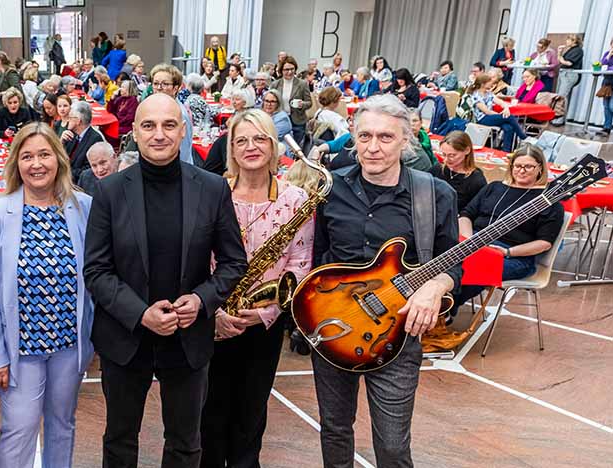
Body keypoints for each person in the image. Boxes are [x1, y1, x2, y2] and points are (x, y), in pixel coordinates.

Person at [84, 93, 247, 467]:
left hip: (188, 337)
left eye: (169, 125)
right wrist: (141, 313)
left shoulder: (212, 188)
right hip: (126, 336)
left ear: (183, 131)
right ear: (134, 133)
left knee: (186, 442)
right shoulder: (109, 191)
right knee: (120, 439)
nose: (159, 134)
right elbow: (96, 270)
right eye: (149, 125)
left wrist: (202, 300)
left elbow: (233, 262)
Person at [311, 94, 461, 467]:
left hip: (396, 333)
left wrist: (436, 287)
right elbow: (318, 258)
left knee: (393, 445)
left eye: (385, 137)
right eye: (365, 137)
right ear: (352, 137)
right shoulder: (330, 189)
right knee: (334, 429)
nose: (373, 147)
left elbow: (452, 264)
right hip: (332, 326)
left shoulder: (435, 194)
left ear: (405, 140)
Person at [0, 122, 93, 468]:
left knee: (62, 424)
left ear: (59, 159)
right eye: (27, 156)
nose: (36, 164)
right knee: (19, 427)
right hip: (19, 349)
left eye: (44, 154)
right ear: (16, 164)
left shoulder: (83, 207)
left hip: (69, 346)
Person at [200, 108, 313, 468]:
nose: (251, 146)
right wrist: (214, 310)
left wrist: (267, 311)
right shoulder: (211, 193)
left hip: (264, 323)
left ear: (273, 145)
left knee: (251, 412)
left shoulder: (295, 200)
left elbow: (301, 262)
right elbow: (196, 257)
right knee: (209, 410)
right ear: (230, 148)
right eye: (241, 140)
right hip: (215, 319)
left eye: (260, 138)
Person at [451, 145, 564, 315]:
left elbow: (544, 243)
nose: (522, 171)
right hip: (475, 242)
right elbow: (466, 215)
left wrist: (507, 252)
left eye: (529, 166)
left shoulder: (549, 202)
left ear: (540, 168)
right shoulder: (495, 187)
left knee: (473, 269)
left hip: (515, 257)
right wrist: (468, 241)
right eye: (517, 166)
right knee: (439, 256)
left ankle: (444, 316)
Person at [149, 63, 195, 164]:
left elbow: (184, 153)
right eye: (156, 83)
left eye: (165, 84)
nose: (159, 88)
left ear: (175, 88)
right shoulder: (154, 107)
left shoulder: (180, 114)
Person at [432, 131, 487, 211]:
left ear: (467, 151)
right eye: (444, 154)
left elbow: (477, 209)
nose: (446, 160)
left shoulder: (476, 180)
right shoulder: (437, 169)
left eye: (452, 155)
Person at [470, 75, 526, 152]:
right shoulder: (475, 95)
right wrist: (500, 115)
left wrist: (506, 108)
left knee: (508, 127)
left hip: (491, 117)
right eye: (490, 83)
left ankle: (506, 151)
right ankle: (523, 137)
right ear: (483, 84)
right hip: (482, 119)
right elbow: (486, 111)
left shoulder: (489, 93)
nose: (492, 85)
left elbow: (501, 102)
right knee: (510, 117)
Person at [271, 57, 312, 146]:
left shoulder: (302, 84)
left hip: (297, 121)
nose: (289, 72)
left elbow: (309, 102)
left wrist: (302, 104)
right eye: (286, 69)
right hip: (280, 119)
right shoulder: (275, 84)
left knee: (296, 147)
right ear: (281, 70)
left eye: (292, 69)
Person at [61, 101, 105, 182]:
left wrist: (63, 174)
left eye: (70, 117)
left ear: (78, 121)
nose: (67, 120)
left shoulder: (95, 139)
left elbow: (88, 171)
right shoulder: (72, 135)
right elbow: (62, 158)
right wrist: (61, 143)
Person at [554, 34, 584, 125]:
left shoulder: (578, 50)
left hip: (569, 74)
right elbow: (560, 61)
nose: (566, 41)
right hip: (564, 73)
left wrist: (560, 56)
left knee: (562, 96)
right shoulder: (570, 50)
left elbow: (568, 63)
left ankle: (558, 120)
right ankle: (557, 117)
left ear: (574, 41)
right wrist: (559, 53)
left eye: (569, 40)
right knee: (559, 95)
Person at [601, 39, 613, 136]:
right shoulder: (607, 53)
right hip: (607, 83)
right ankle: (607, 127)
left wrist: (608, 67)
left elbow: (607, 67)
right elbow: (602, 65)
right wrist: (609, 55)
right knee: (606, 106)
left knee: (612, 106)